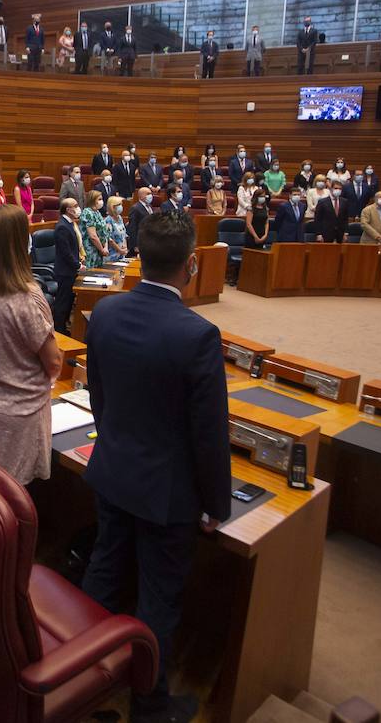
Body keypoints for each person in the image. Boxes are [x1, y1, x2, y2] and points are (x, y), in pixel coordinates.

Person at [82, 211, 231, 723]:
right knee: (158, 601)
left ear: (139, 256)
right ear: (191, 265)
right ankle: (150, 708)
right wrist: (216, 504)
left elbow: (99, 398)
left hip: (112, 471)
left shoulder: (104, 313)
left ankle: (78, 681)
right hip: (167, 496)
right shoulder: (199, 335)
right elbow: (209, 435)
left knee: (103, 572)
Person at [0, 206, 62, 483]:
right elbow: (53, 361)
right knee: (17, 500)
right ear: (19, 243)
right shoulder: (26, 296)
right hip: (20, 414)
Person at [52, 197, 84, 331]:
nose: (78, 208)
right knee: (63, 303)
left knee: (69, 301)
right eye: (75, 206)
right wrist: (77, 265)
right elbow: (66, 252)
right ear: (68, 210)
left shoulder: (70, 224)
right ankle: (59, 330)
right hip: (65, 272)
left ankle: (64, 327)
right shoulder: (62, 227)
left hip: (70, 270)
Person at [79, 190, 111, 265]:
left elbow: (104, 231)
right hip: (91, 249)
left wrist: (105, 247)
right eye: (99, 199)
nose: (101, 201)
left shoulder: (97, 212)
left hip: (100, 249)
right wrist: (102, 250)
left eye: (102, 199)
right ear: (92, 200)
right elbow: (93, 236)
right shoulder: (87, 213)